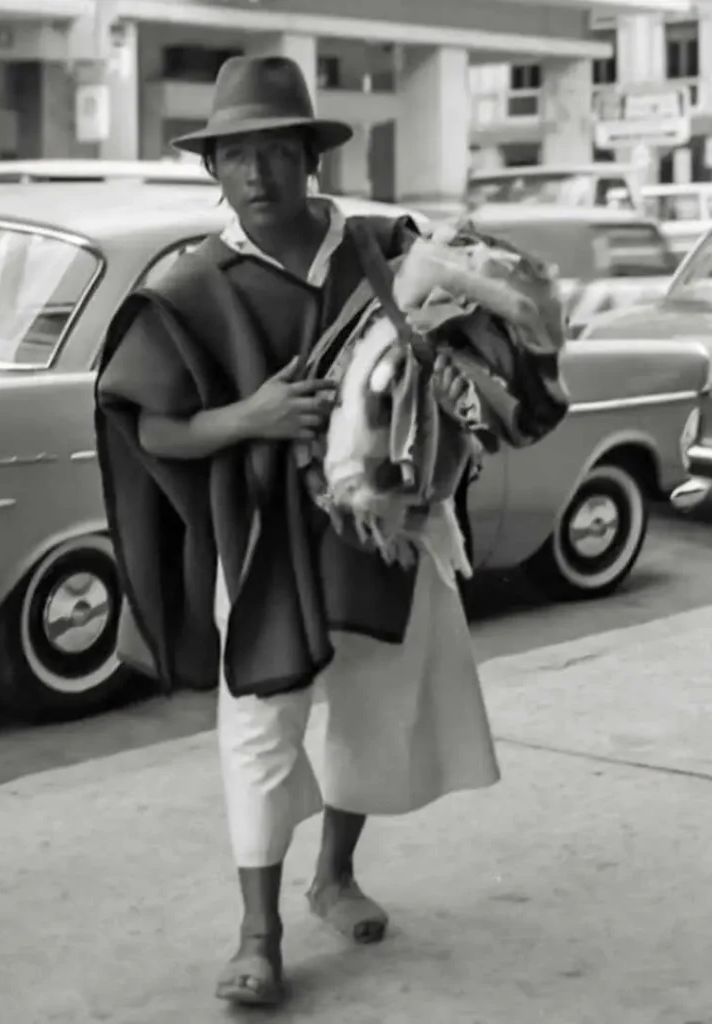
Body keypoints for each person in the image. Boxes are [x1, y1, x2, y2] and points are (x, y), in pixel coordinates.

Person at [94, 55, 500, 1006]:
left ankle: (336, 875)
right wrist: (252, 418)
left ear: (309, 156)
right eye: (237, 155)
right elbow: (148, 424)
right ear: (213, 170)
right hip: (263, 538)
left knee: (373, 706)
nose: (257, 174)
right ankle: (259, 931)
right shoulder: (191, 284)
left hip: (384, 528)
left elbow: (469, 361)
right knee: (263, 724)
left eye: (277, 150)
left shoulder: (387, 254)